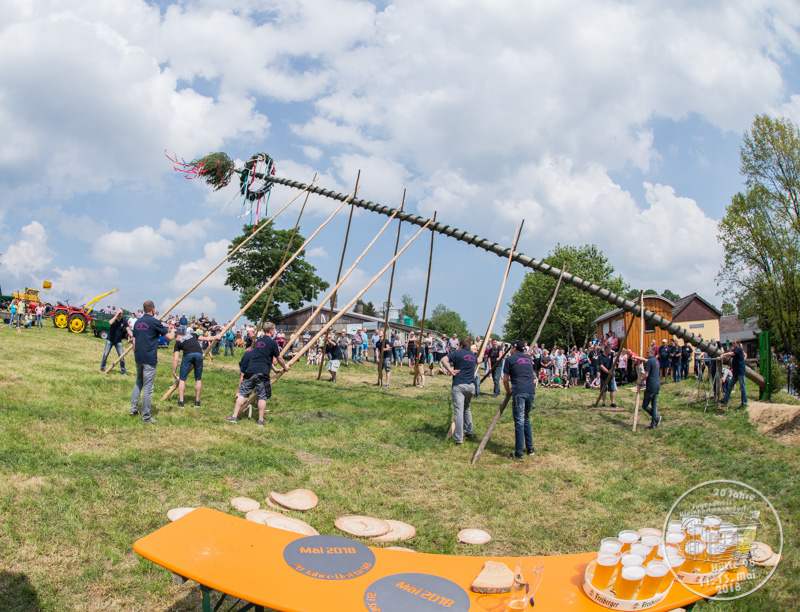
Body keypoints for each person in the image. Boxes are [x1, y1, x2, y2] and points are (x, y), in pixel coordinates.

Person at [226, 322, 289, 426]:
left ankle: (234, 416)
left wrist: (274, 369)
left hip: (250, 370)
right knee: (262, 397)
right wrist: (285, 367)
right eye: (274, 330)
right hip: (262, 373)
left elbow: (262, 358)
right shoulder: (272, 343)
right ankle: (260, 420)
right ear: (271, 331)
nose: (275, 332)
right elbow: (279, 358)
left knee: (242, 394)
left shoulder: (258, 342)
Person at [130, 300, 174, 424]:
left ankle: (133, 409)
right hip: (149, 358)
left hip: (138, 356)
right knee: (148, 388)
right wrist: (173, 330)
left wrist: (136, 355)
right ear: (153, 309)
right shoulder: (154, 322)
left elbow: (134, 341)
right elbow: (170, 338)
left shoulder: (138, 322)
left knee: (139, 382)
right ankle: (146, 417)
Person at [172, 323, 221, 408]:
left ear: (177, 337)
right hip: (199, 354)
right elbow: (206, 338)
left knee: (182, 379)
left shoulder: (178, 342)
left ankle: (181, 402)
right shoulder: (192, 334)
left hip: (188, 355)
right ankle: (197, 402)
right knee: (198, 379)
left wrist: (174, 371)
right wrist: (216, 337)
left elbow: (176, 359)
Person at [503, 340, 536, 459]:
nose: (510, 349)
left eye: (511, 347)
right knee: (526, 419)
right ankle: (530, 449)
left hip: (519, 392)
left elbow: (505, 380)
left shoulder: (509, 359)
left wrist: (508, 391)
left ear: (514, 348)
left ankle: (518, 453)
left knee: (519, 422)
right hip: (530, 391)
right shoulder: (528, 359)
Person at [441, 337, 476, 444]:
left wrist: (450, 370)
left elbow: (443, 360)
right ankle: (468, 431)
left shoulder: (457, 353)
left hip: (459, 385)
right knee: (467, 407)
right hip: (471, 386)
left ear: (461, 346)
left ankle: (458, 438)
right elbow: (479, 360)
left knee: (459, 411)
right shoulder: (473, 356)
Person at [720, 338, 748, 409]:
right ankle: (725, 400)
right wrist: (721, 357)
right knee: (730, 386)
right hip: (735, 372)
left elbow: (731, 354)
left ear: (738, 344)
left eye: (734, 343)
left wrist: (723, 354)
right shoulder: (735, 350)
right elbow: (729, 355)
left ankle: (744, 403)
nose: (733, 344)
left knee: (742, 387)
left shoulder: (739, 350)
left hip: (740, 372)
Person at [100, 308, 129, 374]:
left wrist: (132, 335)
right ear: (117, 313)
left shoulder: (124, 321)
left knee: (121, 356)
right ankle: (102, 368)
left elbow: (128, 329)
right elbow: (110, 322)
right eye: (120, 313)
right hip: (110, 340)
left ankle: (123, 371)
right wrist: (116, 315)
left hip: (118, 341)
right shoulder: (113, 318)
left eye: (122, 313)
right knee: (105, 354)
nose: (121, 314)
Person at [640, 345, 662, 429]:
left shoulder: (650, 361)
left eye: (647, 352)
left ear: (652, 353)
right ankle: (653, 424)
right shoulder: (656, 361)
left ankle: (656, 418)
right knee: (654, 405)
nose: (646, 354)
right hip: (657, 385)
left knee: (645, 405)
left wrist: (640, 381)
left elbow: (646, 374)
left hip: (651, 386)